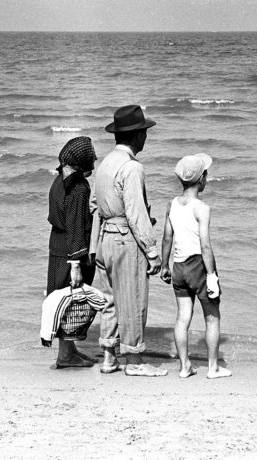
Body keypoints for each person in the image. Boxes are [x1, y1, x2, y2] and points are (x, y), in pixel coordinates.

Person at [93, 104, 167, 377]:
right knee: (134, 299)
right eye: (144, 132)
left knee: (110, 300)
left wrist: (94, 247)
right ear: (137, 136)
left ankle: (109, 356)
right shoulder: (132, 167)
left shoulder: (104, 165)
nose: (146, 137)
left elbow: (94, 205)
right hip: (126, 239)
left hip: (106, 239)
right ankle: (134, 360)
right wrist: (152, 250)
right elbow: (136, 214)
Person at [160, 153, 232, 379]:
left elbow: (166, 239)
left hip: (179, 266)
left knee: (183, 317)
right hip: (198, 265)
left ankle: (184, 367)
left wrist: (164, 265)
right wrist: (211, 276)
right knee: (212, 316)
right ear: (201, 179)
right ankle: (213, 368)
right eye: (206, 175)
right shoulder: (202, 208)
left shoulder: (171, 204)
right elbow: (205, 246)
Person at [45, 136, 98, 368]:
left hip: (57, 246)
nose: (93, 162)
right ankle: (65, 356)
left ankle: (70, 350)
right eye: (90, 158)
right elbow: (76, 225)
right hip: (70, 251)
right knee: (71, 300)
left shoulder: (59, 181)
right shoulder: (78, 187)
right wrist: (76, 262)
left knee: (63, 298)